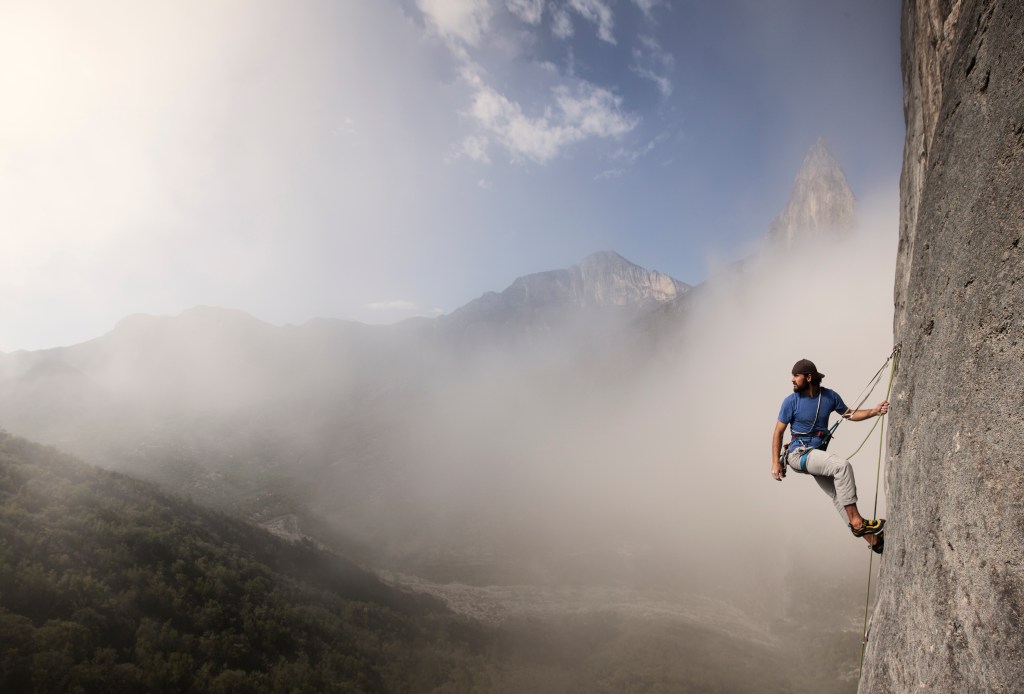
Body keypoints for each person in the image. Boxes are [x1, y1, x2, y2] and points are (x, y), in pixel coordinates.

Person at [771, 358, 889, 553]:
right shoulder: (791, 402)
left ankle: (874, 541)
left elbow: (849, 414)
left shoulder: (829, 396)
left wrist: (874, 412)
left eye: (796, 375)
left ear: (809, 377)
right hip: (798, 455)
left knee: (837, 495)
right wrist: (776, 462)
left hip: (815, 455)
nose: (792, 379)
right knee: (841, 466)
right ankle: (857, 522)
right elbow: (778, 432)